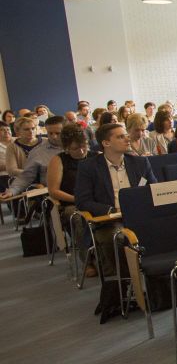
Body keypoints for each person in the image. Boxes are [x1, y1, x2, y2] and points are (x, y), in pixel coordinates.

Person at [75, 123, 157, 277]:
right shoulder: (89, 167)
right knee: (114, 238)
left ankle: (158, 277)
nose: (127, 139)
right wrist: (111, 210)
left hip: (140, 215)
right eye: (120, 137)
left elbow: (154, 189)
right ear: (106, 143)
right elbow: (83, 201)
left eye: (126, 135)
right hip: (109, 220)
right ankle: (128, 282)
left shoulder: (140, 163)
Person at [47, 124, 99, 275]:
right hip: (72, 203)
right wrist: (78, 199)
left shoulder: (96, 156)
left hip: (96, 201)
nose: (82, 151)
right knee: (78, 219)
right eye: (76, 148)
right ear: (67, 148)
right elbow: (53, 191)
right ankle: (87, 261)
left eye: (84, 146)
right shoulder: (59, 160)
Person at [3, 115, 65, 198]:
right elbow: (25, 176)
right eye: (50, 133)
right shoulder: (37, 151)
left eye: (58, 133)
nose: (54, 136)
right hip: (52, 194)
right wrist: (12, 191)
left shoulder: (78, 147)